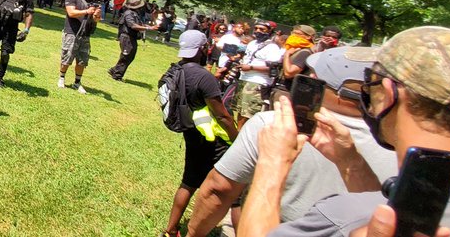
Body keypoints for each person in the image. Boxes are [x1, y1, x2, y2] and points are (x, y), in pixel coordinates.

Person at [242, 27, 450, 237]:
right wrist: (351, 161)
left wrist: (272, 163)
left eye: (370, 86)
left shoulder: (346, 218)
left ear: (387, 94)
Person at [185, 47, 399, 236]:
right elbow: (373, 210)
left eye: (311, 76)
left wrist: (273, 162)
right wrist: (351, 162)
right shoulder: (402, 146)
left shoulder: (272, 125)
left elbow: (219, 190)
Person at [162, 30, 239, 237]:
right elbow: (222, 116)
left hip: (191, 133)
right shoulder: (204, 77)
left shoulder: (175, 70)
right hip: (214, 139)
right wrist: (237, 139)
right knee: (235, 191)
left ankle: (169, 230)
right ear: (203, 48)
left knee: (189, 182)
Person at [232, 20, 284, 126]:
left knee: (249, 115)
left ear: (269, 31)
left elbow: (272, 68)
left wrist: (251, 67)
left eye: (262, 29)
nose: (258, 31)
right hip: (244, 79)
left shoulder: (272, 47)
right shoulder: (252, 43)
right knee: (239, 112)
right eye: (256, 28)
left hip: (257, 83)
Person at [58, 0, 101, 93]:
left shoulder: (92, 0)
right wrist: (86, 11)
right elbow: (71, 13)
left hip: (85, 33)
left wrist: (96, 15)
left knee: (82, 60)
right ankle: (61, 78)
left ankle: (77, 82)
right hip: (72, 32)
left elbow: (96, 20)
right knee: (67, 56)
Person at [107, 0, 158, 82]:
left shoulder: (134, 13)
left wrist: (148, 27)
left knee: (130, 56)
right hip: (127, 37)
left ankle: (114, 70)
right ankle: (117, 75)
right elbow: (133, 25)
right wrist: (149, 28)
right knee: (126, 56)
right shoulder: (129, 13)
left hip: (131, 37)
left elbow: (139, 24)